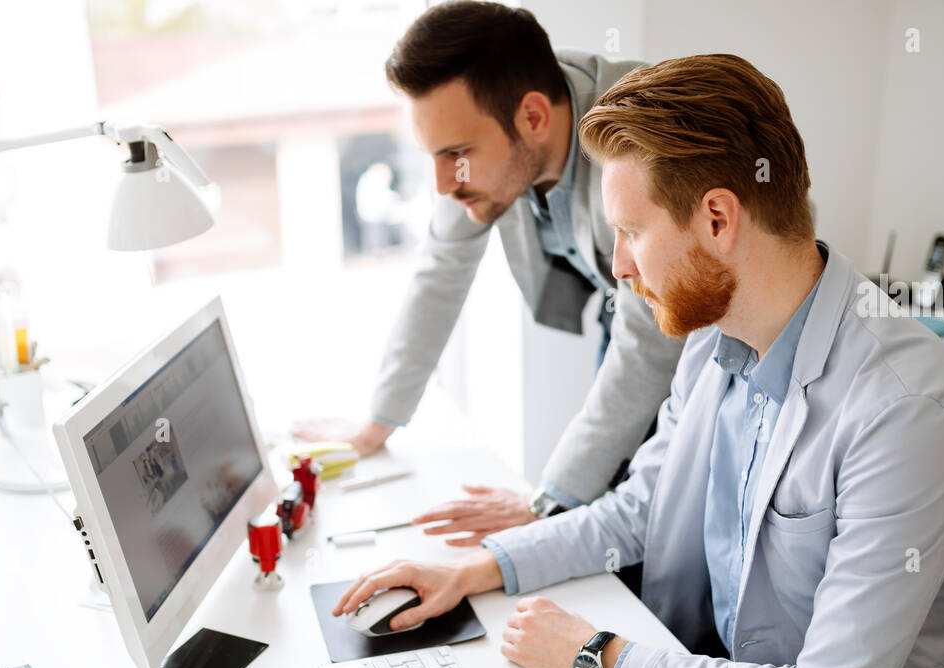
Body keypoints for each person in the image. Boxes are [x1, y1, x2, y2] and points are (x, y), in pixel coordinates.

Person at [333, 53, 944, 668]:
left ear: (717, 220)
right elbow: (640, 508)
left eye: (630, 231)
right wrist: (478, 568)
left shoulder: (900, 414)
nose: (616, 266)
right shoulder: (715, 334)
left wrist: (598, 659)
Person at [292, 1, 684, 548]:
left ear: (533, 118)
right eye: (432, 155)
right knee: (589, 507)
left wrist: (548, 497)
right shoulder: (483, 138)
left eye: (454, 154)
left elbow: (649, 348)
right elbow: (439, 271)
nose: (441, 183)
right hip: (631, 319)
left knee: (648, 525)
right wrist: (379, 421)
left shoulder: (639, 146)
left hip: (705, 333)